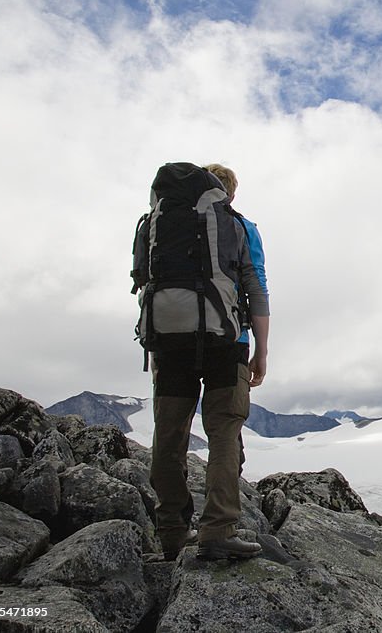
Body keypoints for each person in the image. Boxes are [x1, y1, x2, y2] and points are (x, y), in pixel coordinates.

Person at [148, 162, 270, 561]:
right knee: (223, 432)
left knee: (169, 434)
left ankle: (170, 533)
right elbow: (256, 287)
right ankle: (217, 531)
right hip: (227, 340)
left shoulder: (159, 221)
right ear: (228, 194)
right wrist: (260, 350)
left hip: (168, 340)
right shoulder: (239, 225)